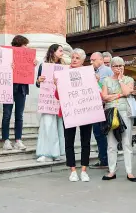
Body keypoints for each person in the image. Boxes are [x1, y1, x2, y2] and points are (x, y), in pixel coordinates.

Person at [101, 56, 136, 182]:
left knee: (127, 142)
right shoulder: (106, 80)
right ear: (111, 67)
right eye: (116, 66)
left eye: (121, 65)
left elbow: (127, 92)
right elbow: (104, 97)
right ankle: (112, 171)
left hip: (125, 112)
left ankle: (129, 171)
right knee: (111, 143)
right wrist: (119, 95)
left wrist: (121, 81)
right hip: (111, 112)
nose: (118, 68)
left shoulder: (129, 79)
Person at [58, 48, 92, 182]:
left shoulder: (88, 73)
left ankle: (84, 170)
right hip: (69, 111)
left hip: (85, 110)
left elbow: (95, 92)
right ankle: (72, 170)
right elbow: (57, 96)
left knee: (86, 141)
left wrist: (96, 81)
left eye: (77, 58)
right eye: (73, 57)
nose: (74, 60)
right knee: (69, 141)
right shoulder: (64, 73)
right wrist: (57, 85)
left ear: (83, 60)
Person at [35, 44, 65, 162]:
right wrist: (39, 80)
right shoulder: (43, 65)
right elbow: (38, 83)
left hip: (58, 100)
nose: (62, 53)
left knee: (58, 127)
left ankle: (56, 152)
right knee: (47, 125)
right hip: (47, 100)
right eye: (60, 51)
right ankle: (44, 152)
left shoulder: (63, 66)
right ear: (53, 51)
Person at [2, 35, 32, 151]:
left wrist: (32, 63)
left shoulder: (27, 57)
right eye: (25, 45)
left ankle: (18, 139)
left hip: (22, 89)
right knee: (6, 115)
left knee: (19, 115)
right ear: (19, 45)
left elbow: (28, 71)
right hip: (8, 87)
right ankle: (6, 140)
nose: (26, 48)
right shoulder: (7, 56)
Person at [89, 52, 113, 169]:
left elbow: (110, 87)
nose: (91, 62)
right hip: (95, 106)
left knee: (103, 133)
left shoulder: (107, 71)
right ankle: (103, 159)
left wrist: (98, 81)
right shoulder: (92, 71)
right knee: (98, 133)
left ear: (101, 59)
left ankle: (106, 160)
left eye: (93, 60)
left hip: (104, 107)